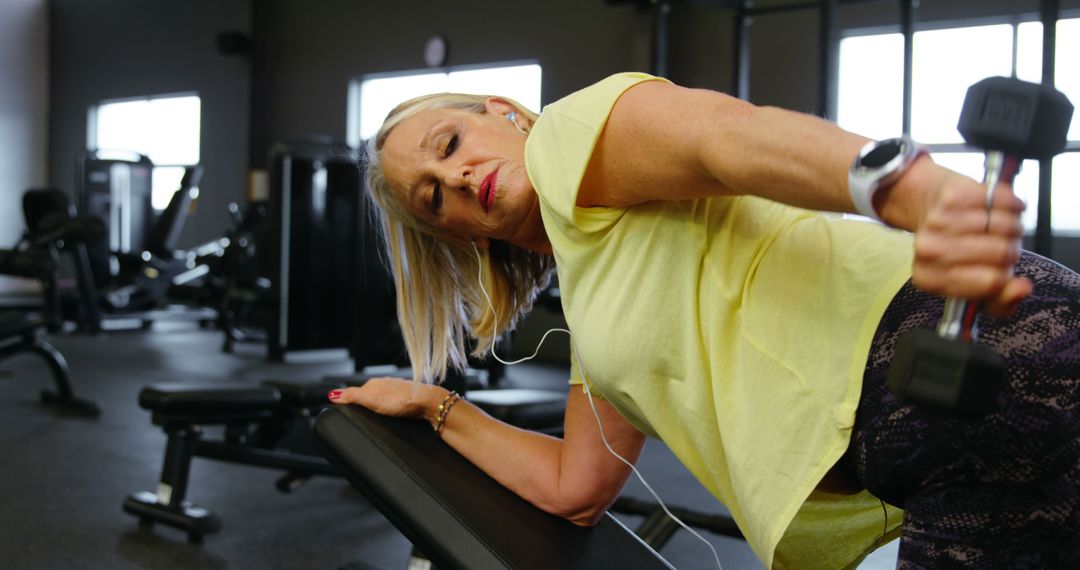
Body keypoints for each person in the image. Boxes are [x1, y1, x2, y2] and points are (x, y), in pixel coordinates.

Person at [328, 72, 1080, 568]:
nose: (455, 178)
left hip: (991, 369)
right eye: (434, 198)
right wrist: (436, 407)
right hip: (933, 437)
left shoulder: (570, 131)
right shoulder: (598, 299)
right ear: (460, 234)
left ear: (502, 113)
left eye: (450, 146)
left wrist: (915, 192)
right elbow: (573, 486)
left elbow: (726, 138)